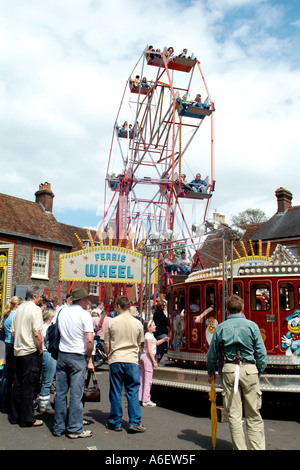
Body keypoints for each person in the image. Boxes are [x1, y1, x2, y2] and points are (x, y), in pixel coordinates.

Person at [206, 295, 267, 450]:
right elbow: (261, 353)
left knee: (234, 415)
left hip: (230, 369)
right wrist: (257, 371)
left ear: (227, 309)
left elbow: (212, 354)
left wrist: (211, 371)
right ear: (243, 308)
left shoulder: (221, 328)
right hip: (249, 368)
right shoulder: (252, 326)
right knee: (253, 414)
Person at [52, 287, 94, 439]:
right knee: (76, 395)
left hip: (63, 354)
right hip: (77, 355)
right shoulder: (84, 315)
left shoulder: (62, 312)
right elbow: (89, 340)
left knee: (60, 394)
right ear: (82, 300)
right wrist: (88, 357)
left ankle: (58, 427)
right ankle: (75, 428)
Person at [104, 295, 145, 433]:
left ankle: (115, 421)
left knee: (116, 390)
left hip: (116, 358)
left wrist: (109, 354)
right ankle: (135, 422)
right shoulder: (138, 323)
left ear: (118, 307)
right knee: (132, 391)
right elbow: (140, 344)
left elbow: (106, 343)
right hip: (131, 360)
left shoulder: (112, 322)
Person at [9, 286, 44, 427]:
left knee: (17, 384)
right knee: (28, 386)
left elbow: (13, 331)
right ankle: (27, 419)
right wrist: (40, 349)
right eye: (40, 296)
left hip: (17, 351)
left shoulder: (19, 309)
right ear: (34, 297)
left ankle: (15, 416)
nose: (41, 298)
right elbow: (37, 333)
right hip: (30, 352)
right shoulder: (35, 310)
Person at [0, 296, 23, 413]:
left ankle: (3, 402)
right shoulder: (16, 316)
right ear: (17, 305)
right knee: (13, 376)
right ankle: (7, 403)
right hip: (12, 345)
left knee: (5, 375)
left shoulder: (7, 315)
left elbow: (2, 327)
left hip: (5, 344)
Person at [139, 319, 169, 407]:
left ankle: (140, 397)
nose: (155, 326)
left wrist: (163, 339)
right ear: (149, 328)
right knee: (148, 379)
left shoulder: (150, 335)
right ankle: (146, 399)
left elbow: (155, 343)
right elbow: (149, 349)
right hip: (148, 357)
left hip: (145, 356)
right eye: (153, 325)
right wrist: (154, 361)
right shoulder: (148, 336)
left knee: (142, 377)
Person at [38, 308, 57, 414]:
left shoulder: (41, 327)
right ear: (50, 317)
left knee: (44, 379)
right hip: (48, 353)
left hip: (43, 353)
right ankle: (44, 404)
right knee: (48, 380)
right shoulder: (47, 328)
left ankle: (41, 400)